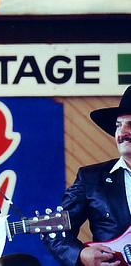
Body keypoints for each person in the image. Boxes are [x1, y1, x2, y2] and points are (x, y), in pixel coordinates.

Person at [44, 85, 131, 266]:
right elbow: (53, 230)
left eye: (130, 125)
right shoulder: (91, 178)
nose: (122, 133)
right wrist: (81, 254)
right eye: (118, 125)